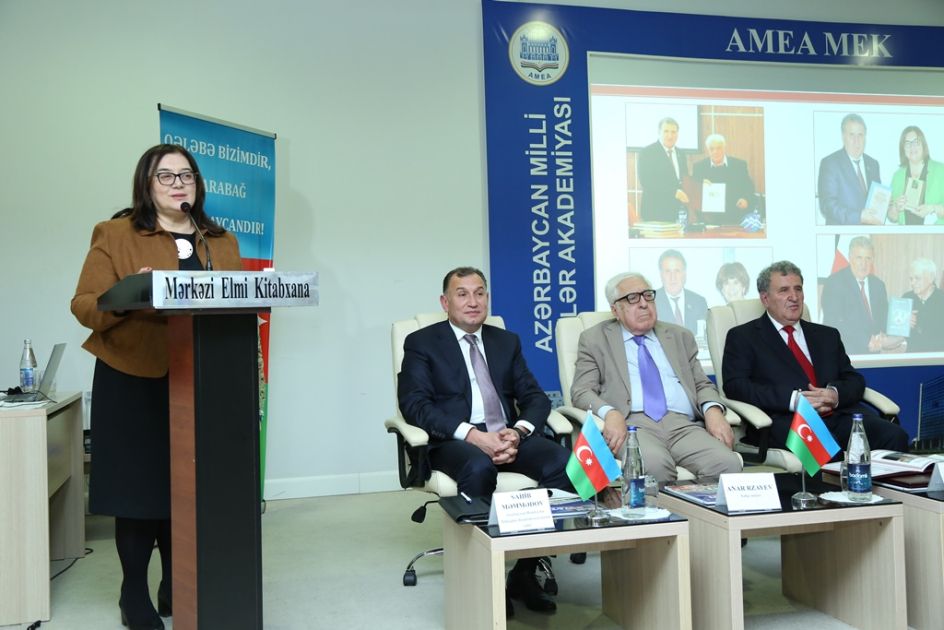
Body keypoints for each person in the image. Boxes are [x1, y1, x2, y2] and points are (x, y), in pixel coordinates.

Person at [71, 144, 243, 630]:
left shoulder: (220, 240)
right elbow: (84, 304)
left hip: (202, 377)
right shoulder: (116, 233)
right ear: (146, 184)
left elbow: (235, 301)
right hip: (133, 376)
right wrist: (128, 294)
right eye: (165, 176)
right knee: (138, 490)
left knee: (185, 487)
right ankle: (133, 592)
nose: (177, 184)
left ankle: (176, 581)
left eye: (186, 175)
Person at [397, 267, 572, 616]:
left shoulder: (506, 341)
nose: (473, 301)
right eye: (462, 294)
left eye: (479, 293)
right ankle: (484, 577)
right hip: (454, 438)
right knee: (478, 468)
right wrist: (473, 435)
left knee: (565, 465)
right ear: (445, 302)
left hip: (506, 433)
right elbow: (415, 406)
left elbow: (535, 397)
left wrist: (518, 431)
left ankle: (525, 571)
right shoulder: (422, 342)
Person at [721, 261, 909, 454]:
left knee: (895, 436)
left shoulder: (827, 335)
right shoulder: (744, 337)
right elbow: (736, 386)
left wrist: (834, 395)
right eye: (784, 290)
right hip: (787, 420)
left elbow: (854, 379)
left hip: (839, 415)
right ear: (765, 298)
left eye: (798, 289)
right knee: (824, 452)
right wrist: (794, 400)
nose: (794, 297)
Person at [570, 272, 741, 482]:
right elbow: (581, 391)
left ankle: (698, 506)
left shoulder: (679, 336)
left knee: (727, 463)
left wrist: (713, 411)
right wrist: (611, 413)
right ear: (615, 310)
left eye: (648, 296)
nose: (644, 304)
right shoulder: (595, 339)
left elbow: (701, 383)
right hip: (633, 425)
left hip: (683, 424)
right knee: (653, 466)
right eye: (632, 298)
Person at [820, 236, 888, 355]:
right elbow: (834, 322)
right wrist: (866, 341)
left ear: (872, 260)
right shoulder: (834, 283)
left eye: (868, 258)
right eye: (859, 258)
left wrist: (902, 321)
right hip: (846, 354)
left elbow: (884, 317)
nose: (864, 264)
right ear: (850, 258)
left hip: (874, 355)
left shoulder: (879, 285)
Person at [817, 113, 883, 225]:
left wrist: (889, 207)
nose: (856, 140)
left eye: (860, 135)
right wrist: (859, 217)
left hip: (871, 233)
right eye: (851, 135)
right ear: (843, 137)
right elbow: (827, 205)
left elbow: (877, 201)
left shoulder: (873, 164)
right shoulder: (830, 163)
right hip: (843, 233)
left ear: (865, 137)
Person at [691, 133, 756, 225]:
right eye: (712, 149)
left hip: (735, 216)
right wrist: (700, 185)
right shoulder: (699, 167)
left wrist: (746, 199)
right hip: (708, 219)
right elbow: (693, 193)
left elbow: (749, 187)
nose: (715, 152)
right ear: (708, 150)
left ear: (724, 148)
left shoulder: (739, 165)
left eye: (719, 148)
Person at [887, 125, 944, 225]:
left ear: (923, 145)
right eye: (907, 143)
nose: (912, 147)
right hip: (906, 234)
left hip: (936, 233)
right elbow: (892, 217)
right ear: (903, 149)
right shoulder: (897, 176)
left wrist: (932, 208)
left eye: (916, 142)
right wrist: (896, 208)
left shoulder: (941, 171)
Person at [637, 117, 689, 222]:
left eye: (673, 132)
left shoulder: (681, 154)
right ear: (659, 132)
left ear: (678, 134)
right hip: (655, 212)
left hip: (676, 212)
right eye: (666, 131)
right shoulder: (647, 152)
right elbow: (647, 182)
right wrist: (673, 192)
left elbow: (684, 179)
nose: (670, 136)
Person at [654, 249, 708, 335]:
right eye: (668, 271)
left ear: (684, 274)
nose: (673, 277)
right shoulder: (652, 302)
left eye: (677, 271)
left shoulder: (699, 302)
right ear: (661, 275)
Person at [902, 258, 944, 352]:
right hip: (913, 355)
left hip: (938, 356)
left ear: (931, 278)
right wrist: (903, 324)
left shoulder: (942, 299)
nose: (912, 283)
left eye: (917, 278)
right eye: (911, 279)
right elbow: (895, 333)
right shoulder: (906, 298)